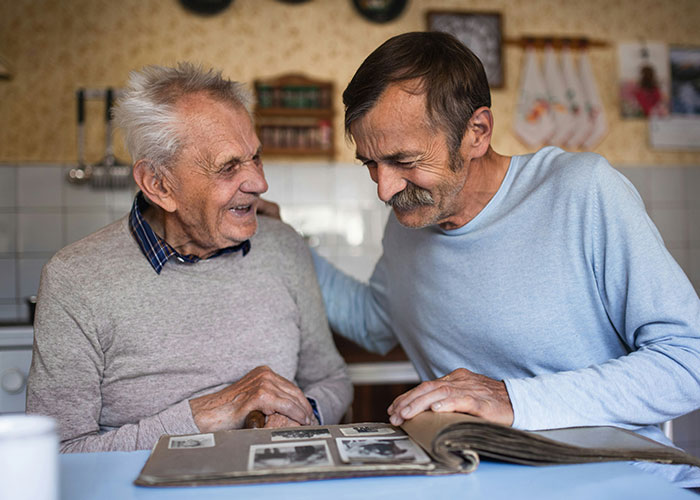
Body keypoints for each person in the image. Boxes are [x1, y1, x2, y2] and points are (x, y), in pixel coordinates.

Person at [308, 32, 700, 486]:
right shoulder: (406, 224)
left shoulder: (581, 191)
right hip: (481, 479)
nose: (384, 189)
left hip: (616, 476)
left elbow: (688, 360)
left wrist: (512, 399)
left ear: (477, 133)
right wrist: (284, 242)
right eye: (370, 164)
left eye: (404, 160)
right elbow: (372, 322)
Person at [26, 63, 352, 453]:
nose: (259, 183)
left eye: (256, 157)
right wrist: (203, 417)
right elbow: (58, 452)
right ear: (160, 185)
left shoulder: (284, 247)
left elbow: (331, 378)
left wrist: (303, 413)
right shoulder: (75, 279)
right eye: (228, 167)